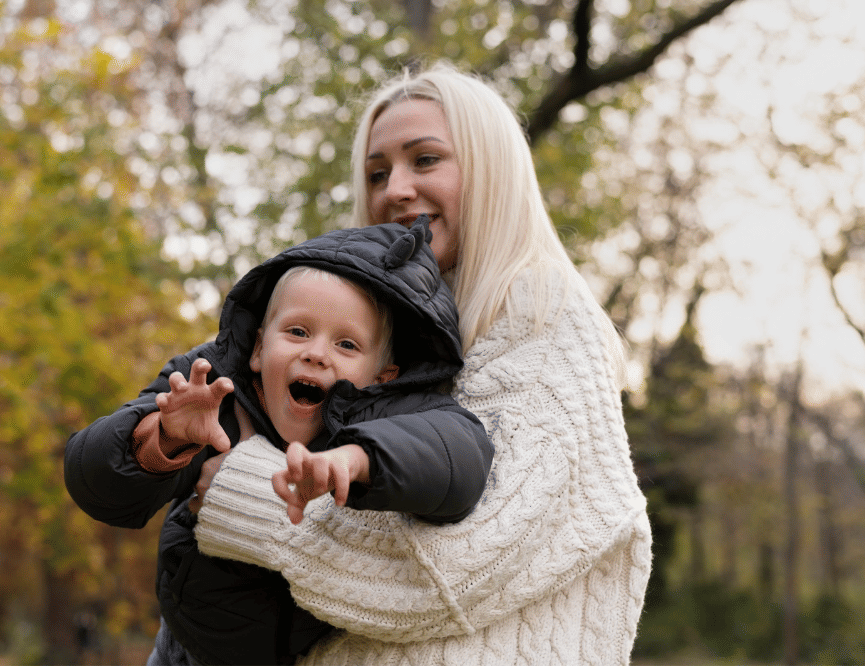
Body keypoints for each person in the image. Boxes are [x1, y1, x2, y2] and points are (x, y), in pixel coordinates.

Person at [192, 62, 653, 665]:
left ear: (491, 171)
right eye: (377, 173)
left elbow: (446, 576)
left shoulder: (543, 316)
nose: (395, 190)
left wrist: (246, 487)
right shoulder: (386, 335)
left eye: (426, 159)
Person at [64, 217, 494, 665]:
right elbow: (94, 479)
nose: (316, 353)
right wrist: (165, 437)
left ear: (381, 378)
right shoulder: (213, 391)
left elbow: (460, 455)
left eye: (346, 345)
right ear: (257, 348)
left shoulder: (383, 411)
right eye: (298, 332)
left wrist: (359, 458)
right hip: (190, 650)